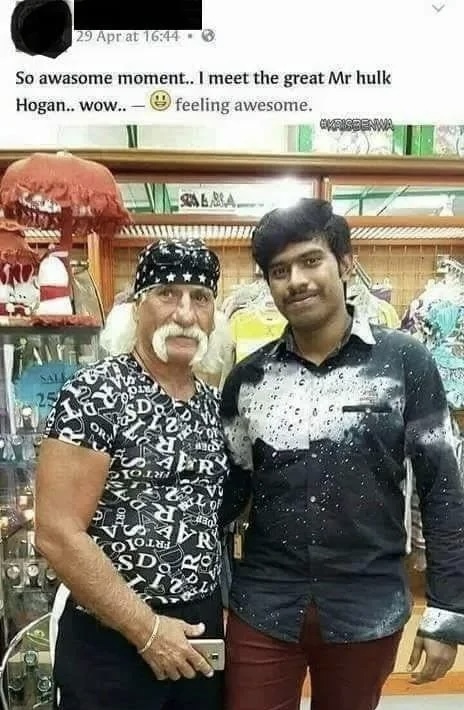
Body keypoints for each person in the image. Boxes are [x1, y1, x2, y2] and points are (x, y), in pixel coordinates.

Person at [219, 198, 464, 710]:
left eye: (311, 261)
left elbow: (443, 491)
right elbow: (228, 496)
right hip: (264, 604)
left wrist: (446, 611)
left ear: (345, 264)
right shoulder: (248, 378)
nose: (296, 281)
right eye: (279, 271)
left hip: (366, 606)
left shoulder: (404, 361)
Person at [35, 239, 229, 710]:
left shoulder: (213, 405)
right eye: (167, 293)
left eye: (200, 298)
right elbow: (56, 533)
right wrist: (148, 631)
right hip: (111, 639)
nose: (185, 313)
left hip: (198, 634)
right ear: (137, 307)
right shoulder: (94, 394)